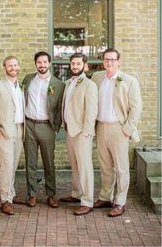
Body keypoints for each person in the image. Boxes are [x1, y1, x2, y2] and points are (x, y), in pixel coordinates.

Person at [92, 48, 142, 217]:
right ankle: (106, 197)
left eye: (113, 59)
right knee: (105, 166)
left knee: (121, 168)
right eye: (106, 59)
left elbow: (136, 108)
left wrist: (127, 129)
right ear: (103, 61)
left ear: (118, 61)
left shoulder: (129, 81)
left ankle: (120, 202)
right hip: (100, 127)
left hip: (119, 129)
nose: (109, 62)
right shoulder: (97, 77)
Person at [22, 51, 65, 208]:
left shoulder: (59, 85)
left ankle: (51, 194)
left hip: (47, 126)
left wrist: (56, 127)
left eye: (45, 62)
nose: (42, 65)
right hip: (29, 125)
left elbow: (60, 108)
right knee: (30, 162)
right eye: (39, 62)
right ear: (35, 64)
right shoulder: (27, 79)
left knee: (49, 163)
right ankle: (31, 194)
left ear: (49, 63)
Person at [0, 56, 25, 215]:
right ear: (4, 67)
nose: (13, 68)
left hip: (19, 130)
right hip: (3, 132)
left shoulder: (19, 87)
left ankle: (11, 194)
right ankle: (5, 200)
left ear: (18, 66)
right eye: (10, 66)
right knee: (7, 165)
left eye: (15, 65)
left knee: (13, 165)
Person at [60, 53, 98, 215]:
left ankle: (87, 201)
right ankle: (76, 194)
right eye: (73, 64)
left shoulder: (89, 85)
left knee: (85, 167)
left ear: (85, 65)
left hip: (82, 132)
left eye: (78, 64)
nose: (75, 66)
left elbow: (91, 111)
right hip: (70, 130)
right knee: (74, 165)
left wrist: (87, 132)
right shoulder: (68, 83)